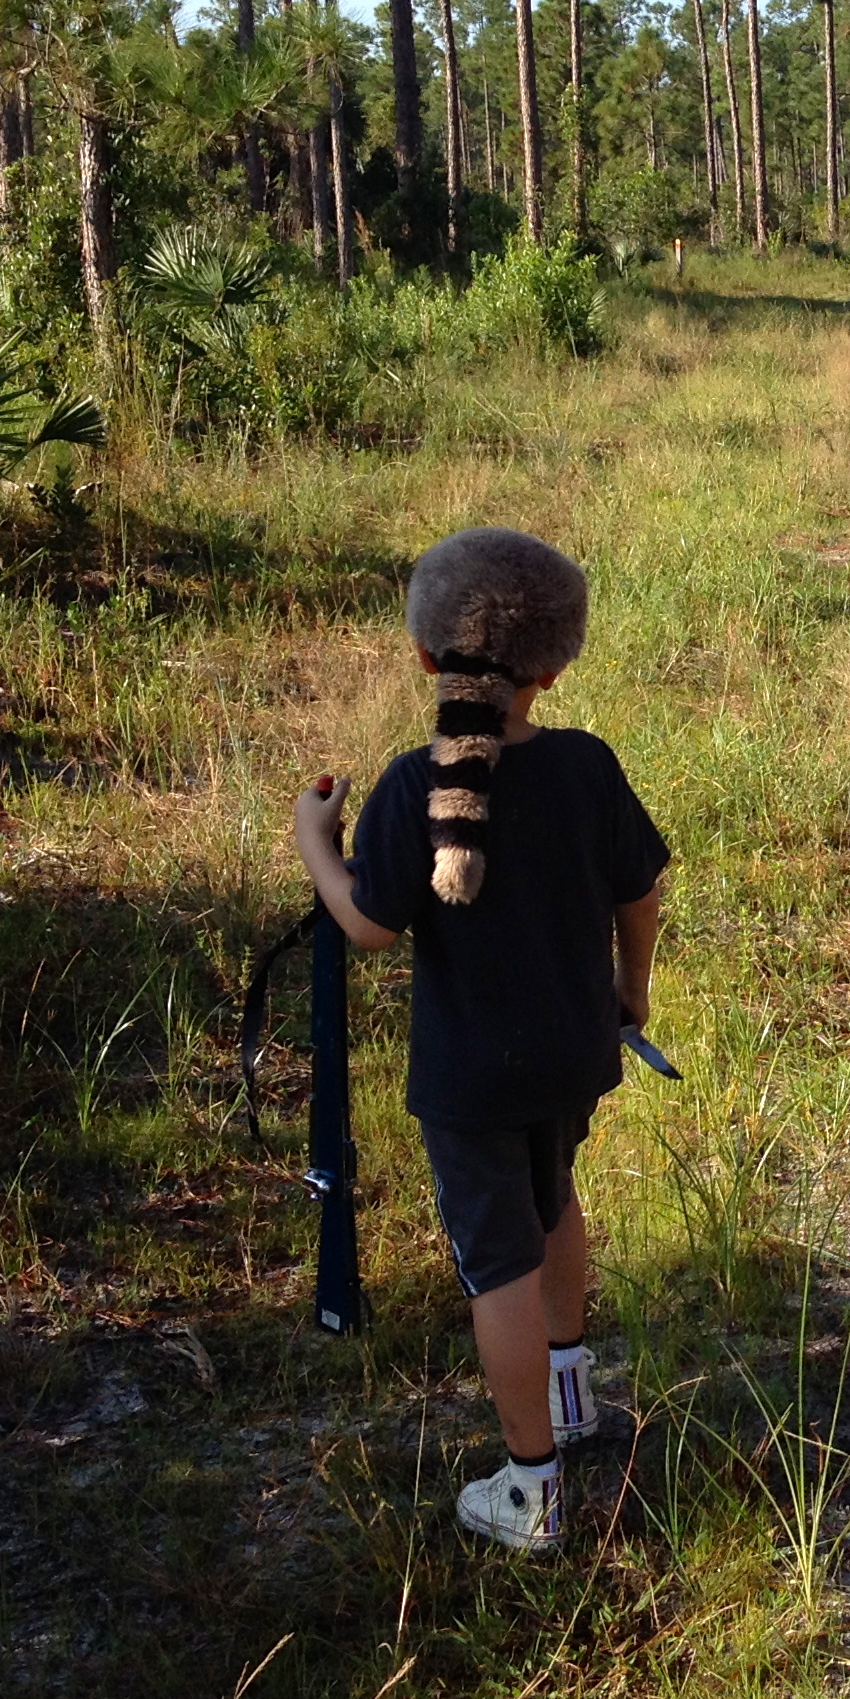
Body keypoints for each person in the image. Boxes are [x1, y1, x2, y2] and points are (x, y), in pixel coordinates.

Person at [294, 528, 669, 1555]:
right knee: (554, 1203)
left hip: (472, 1077)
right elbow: (639, 893)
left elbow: (371, 925)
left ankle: (533, 1487)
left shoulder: (413, 784)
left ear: (427, 654)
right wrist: (630, 992)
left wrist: (318, 848)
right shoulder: (588, 766)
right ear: (555, 664)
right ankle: (572, 1398)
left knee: (497, 1261)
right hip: (575, 1050)